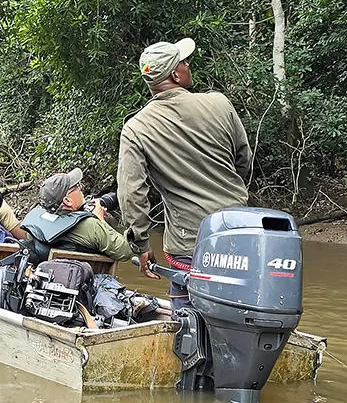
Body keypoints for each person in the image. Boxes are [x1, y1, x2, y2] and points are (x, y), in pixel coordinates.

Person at [116, 37, 252, 305]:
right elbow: (244, 161)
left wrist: (141, 246)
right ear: (176, 75)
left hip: (188, 244)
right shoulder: (220, 104)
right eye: (184, 62)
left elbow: (132, 195)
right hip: (240, 234)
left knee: (188, 326)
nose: (189, 66)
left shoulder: (136, 128)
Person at [20, 168, 133, 262]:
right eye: (77, 187)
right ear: (67, 201)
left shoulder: (35, 225)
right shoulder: (91, 226)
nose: (81, 189)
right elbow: (125, 252)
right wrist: (101, 219)